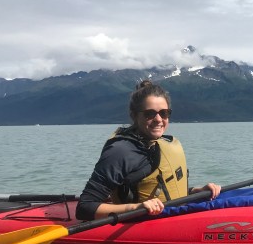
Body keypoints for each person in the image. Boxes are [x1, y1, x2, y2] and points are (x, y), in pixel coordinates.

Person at [76, 80, 221, 220]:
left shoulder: (159, 143)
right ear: (134, 115)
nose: (158, 119)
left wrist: (197, 191)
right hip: (141, 225)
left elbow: (166, 191)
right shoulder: (120, 151)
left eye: (164, 113)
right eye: (149, 114)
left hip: (175, 216)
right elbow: (85, 207)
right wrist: (136, 208)